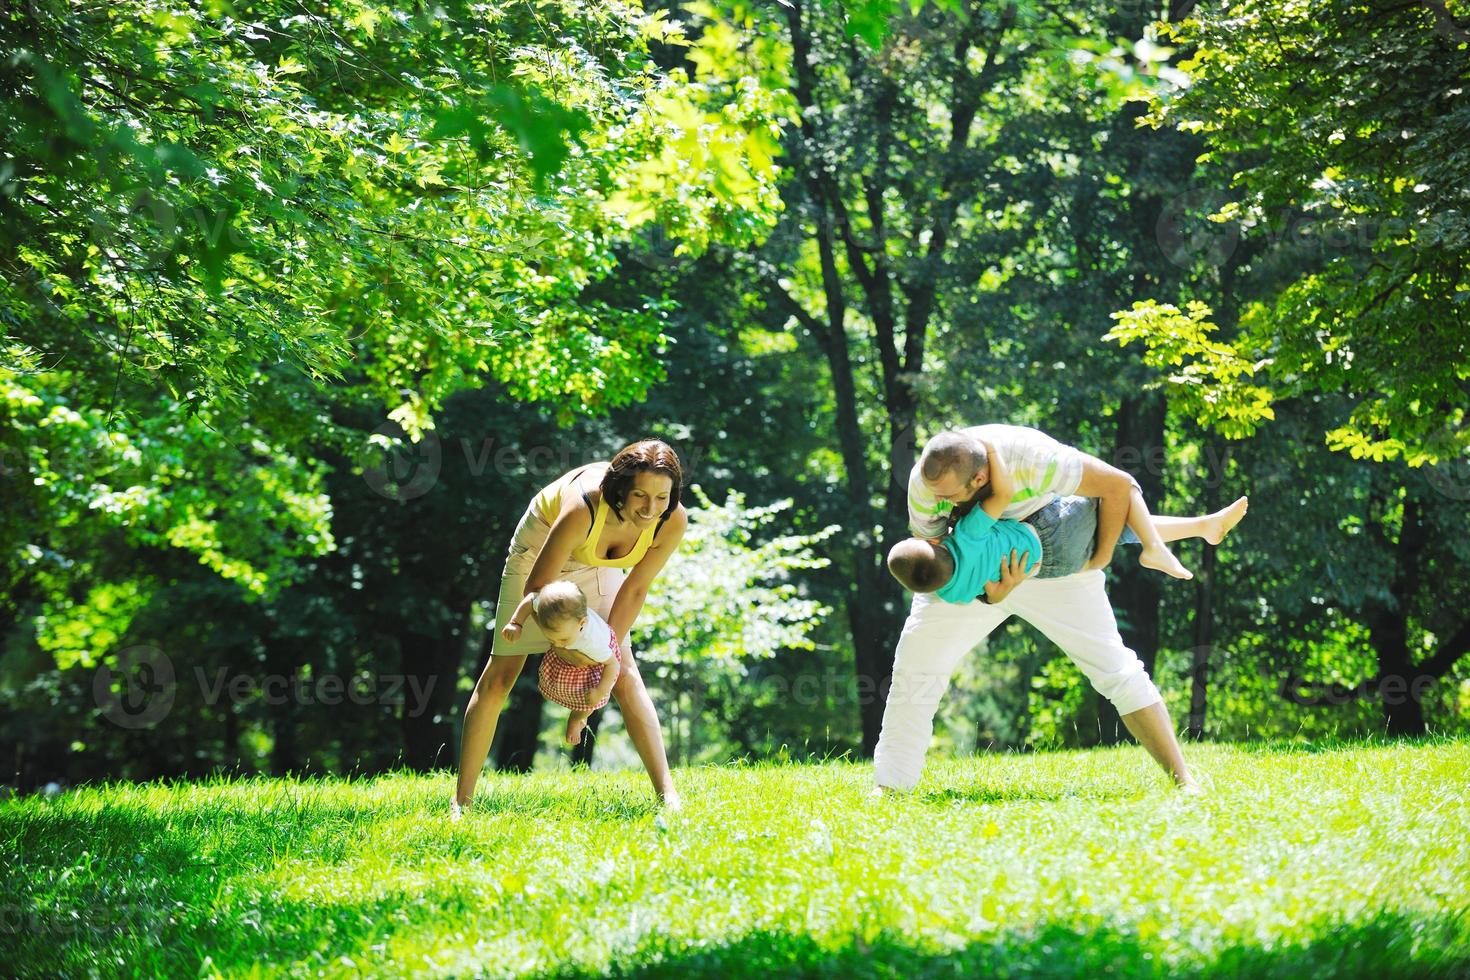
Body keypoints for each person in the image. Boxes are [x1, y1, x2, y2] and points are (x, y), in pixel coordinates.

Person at [874, 424, 1227, 796]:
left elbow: (1118, 485)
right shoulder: (926, 483)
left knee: (1115, 668)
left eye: (950, 496)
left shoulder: (1032, 458)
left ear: (979, 478)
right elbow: (930, 553)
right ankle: (890, 785)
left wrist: (1100, 558)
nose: (941, 502)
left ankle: (1183, 781)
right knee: (916, 666)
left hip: (1048, 551)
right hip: (971, 567)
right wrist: (991, 593)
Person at [452, 440, 688, 820]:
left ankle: (667, 794)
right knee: (501, 676)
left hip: (599, 565)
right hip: (538, 559)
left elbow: (636, 588)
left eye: (662, 497)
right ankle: (461, 802)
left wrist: (603, 649)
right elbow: (538, 588)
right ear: (620, 489)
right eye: (640, 494)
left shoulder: (671, 520)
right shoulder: (583, 508)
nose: (650, 508)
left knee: (624, 672)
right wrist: (565, 645)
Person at [887, 442, 1248, 600]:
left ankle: (1204, 526)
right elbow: (1002, 495)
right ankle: (1156, 547)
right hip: (1049, 533)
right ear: (934, 543)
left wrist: (1002, 593)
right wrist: (992, 451)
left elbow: (994, 596)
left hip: (1052, 566)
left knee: (1123, 527)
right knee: (1116, 489)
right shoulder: (967, 535)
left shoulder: (953, 593)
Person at [500, 579, 623, 747]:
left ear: (582, 623)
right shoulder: (553, 614)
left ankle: (577, 718)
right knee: (554, 680)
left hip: (599, 663)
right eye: (551, 637)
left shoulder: (593, 641)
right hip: (576, 648)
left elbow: (613, 664)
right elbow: (530, 600)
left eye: (563, 638)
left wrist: (600, 691)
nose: (557, 644)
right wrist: (516, 623)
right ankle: (557, 695)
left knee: (589, 702)